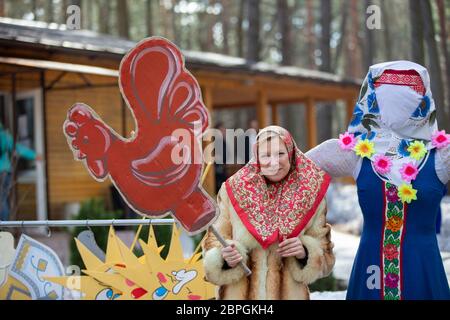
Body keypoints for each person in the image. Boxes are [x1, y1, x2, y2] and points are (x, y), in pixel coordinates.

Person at [306, 61, 450, 300]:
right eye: (388, 96)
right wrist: (227, 200)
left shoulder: (441, 155)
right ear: (374, 99)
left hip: (423, 271)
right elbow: (284, 167)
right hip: (370, 267)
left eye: (408, 96)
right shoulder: (353, 153)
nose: (398, 105)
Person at [202, 125, 334, 299]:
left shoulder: (310, 193)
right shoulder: (233, 190)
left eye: (280, 154)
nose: (274, 162)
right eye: (265, 155)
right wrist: (224, 257)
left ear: (291, 153)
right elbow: (212, 242)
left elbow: (326, 258)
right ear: (256, 157)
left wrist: (305, 252)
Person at [0, 123, 39, 221]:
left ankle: (3, 226)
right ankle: (4, 226)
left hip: (3, 172)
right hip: (5, 171)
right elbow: (18, 148)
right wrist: (34, 155)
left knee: (2, 200)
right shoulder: (4, 136)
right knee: (3, 199)